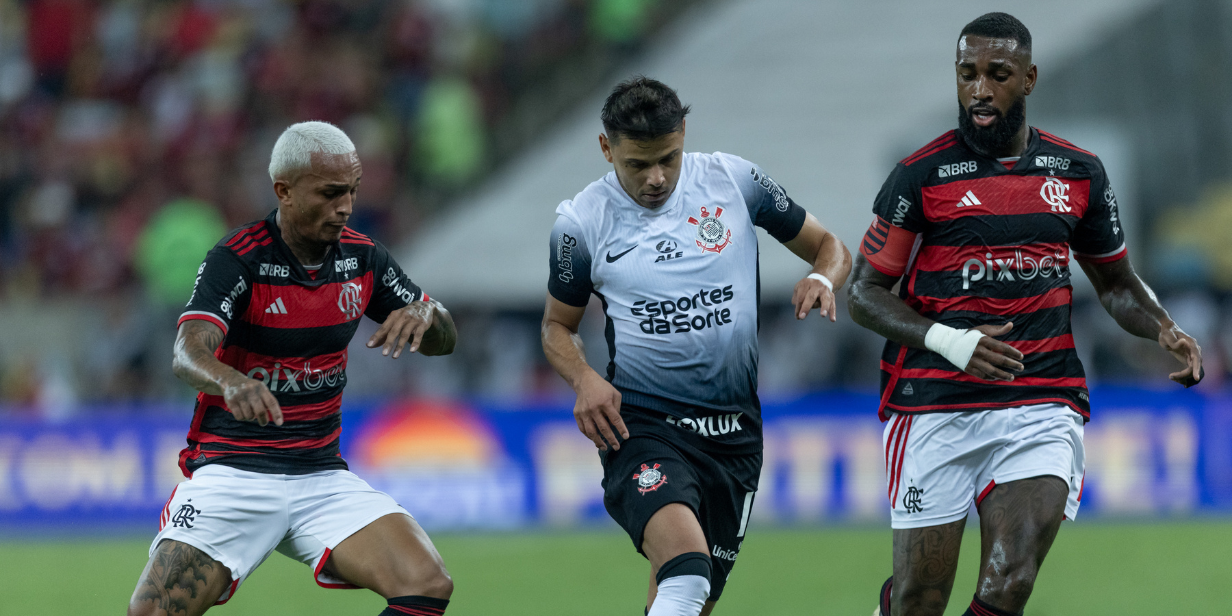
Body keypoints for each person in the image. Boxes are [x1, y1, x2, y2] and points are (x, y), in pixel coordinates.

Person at [847, 13, 1204, 616]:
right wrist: (951, 341)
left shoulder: (1077, 173)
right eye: (967, 74)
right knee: (918, 600)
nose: (980, 89)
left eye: (997, 73)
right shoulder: (920, 175)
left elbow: (1115, 282)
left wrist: (1162, 326)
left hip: (1042, 396)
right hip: (935, 405)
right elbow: (863, 293)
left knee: (1010, 582)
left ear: (1030, 78)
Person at [541, 76, 851, 616]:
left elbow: (830, 246)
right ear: (606, 148)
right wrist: (584, 378)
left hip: (734, 437)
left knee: (690, 596)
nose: (656, 178)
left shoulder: (734, 180)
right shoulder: (580, 224)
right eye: (638, 164)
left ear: (684, 133)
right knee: (686, 573)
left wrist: (823, 279)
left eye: (668, 158)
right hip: (642, 427)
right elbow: (555, 327)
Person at [127, 121, 459, 616]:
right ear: (283, 190)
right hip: (234, 473)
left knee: (427, 583)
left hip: (320, 476)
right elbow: (187, 351)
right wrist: (230, 379)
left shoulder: (363, 259)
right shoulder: (238, 260)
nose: (345, 206)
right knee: (153, 612)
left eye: (352, 191)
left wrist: (428, 314)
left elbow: (443, 341)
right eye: (330, 193)